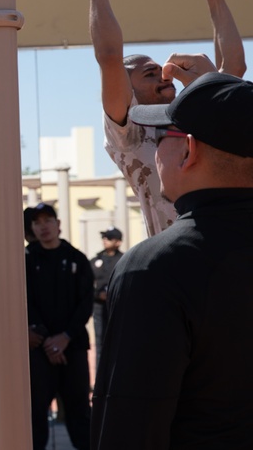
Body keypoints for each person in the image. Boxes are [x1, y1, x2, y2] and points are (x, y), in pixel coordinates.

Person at [92, 72, 253, 449]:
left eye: (162, 137)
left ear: (188, 150)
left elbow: (130, 423)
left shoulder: (154, 267)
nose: (155, 148)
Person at [85, 0, 245, 236]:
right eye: (149, 74)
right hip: (178, 255)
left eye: (162, 72)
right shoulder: (129, 131)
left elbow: (233, 69)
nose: (164, 77)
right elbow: (109, 57)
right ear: (126, 88)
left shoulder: (193, 119)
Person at [25, 202, 93, 450]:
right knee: (35, 414)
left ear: (58, 224)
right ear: (31, 227)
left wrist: (64, 338)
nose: (43, 227)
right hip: (39, 349)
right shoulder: (27, 259)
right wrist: (46, 342)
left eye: (47, 220)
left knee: (79, 411)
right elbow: (24, 301)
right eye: (37, 222)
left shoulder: (77, 259)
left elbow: (85, 304)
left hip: (71, 347)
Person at [90, 227, 122, 371]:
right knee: (100, 341)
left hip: (117, 306)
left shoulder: (123, 259)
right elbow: (87, 285)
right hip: (99, 306)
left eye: (108, 238)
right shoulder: (96, 260)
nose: (105, 240)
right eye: (104, 237)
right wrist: (98, 294)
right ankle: (100, 377)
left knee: (118, 341)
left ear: (118, 242)